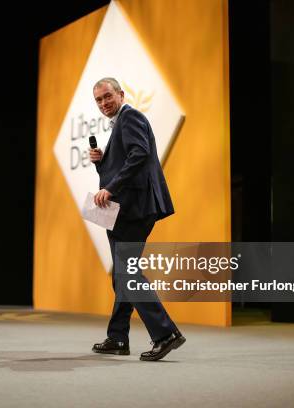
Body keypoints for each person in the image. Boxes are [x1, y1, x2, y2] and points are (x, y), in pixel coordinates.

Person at [89, 77, 185, 361]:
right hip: (123, 210)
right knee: (122, 276)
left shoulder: (130, 116)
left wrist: (110, 187)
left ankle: (165, 334)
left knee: (127, 274)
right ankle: (118, 338)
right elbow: (126, 160)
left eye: (108, 96)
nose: (104, 103)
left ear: (120, 94)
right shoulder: (120, 123)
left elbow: (140, 154)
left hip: (135, 208)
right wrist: (101, 162)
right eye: (98, 100)